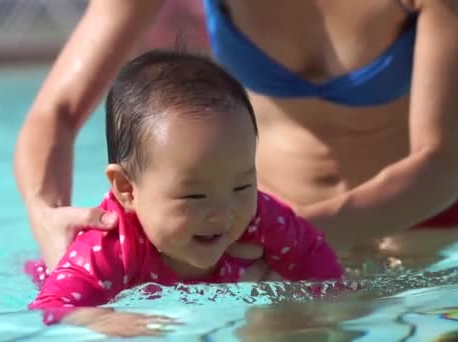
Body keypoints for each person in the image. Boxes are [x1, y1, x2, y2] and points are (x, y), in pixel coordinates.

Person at [13, 0, 458, 272]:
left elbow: (441, 161)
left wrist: (294, 237)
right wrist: (46, 218)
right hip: (250, 238)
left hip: (420, 233)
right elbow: (55, 111)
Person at [27, 50, 344, 331]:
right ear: (127, 190)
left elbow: (312, 253)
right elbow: (52, 304)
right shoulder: (111, 245)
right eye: (194, 196)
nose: (224, 212)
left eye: (242, 185)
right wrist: (101, 319)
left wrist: (328, 303)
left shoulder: (260, 216)